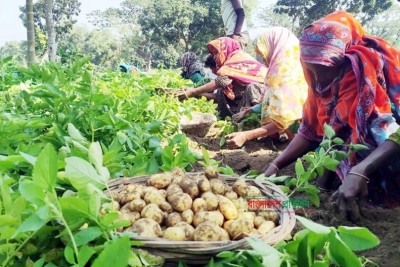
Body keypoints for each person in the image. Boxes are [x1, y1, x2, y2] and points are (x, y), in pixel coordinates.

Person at [264, 11, 400, 221]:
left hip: (386, 157)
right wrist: (276, 165)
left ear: (347, 60)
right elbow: (309, 131)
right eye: (311, 70)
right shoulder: (318, 82)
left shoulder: (369, 74)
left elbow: (389, 134)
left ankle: (379, 197)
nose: (318, 79)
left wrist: (361, 170)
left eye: (324, 69)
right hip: (347, 162)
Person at [225, 27, 308, 148]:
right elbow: (271, 103)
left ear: (276, 49)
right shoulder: (281, 74)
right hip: (296, 142)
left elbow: (282, 120)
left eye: (264, 54)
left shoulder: (289, 78)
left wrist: (246, 135)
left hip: (305, 145)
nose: (264, 61)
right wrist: (247, 111)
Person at [180, 37, 268, 119]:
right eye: (213, 54)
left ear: (225, 49)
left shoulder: (236, 58)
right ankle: (238, 116)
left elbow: (220, 81)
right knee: (221, 91)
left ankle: (259, 117)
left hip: (265, 96)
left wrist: (193, 91)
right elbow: (218, 96)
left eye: (216, 53)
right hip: (246, 101)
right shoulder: (229, 63)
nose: (215, 57)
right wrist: (196, 94)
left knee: (251, 87)